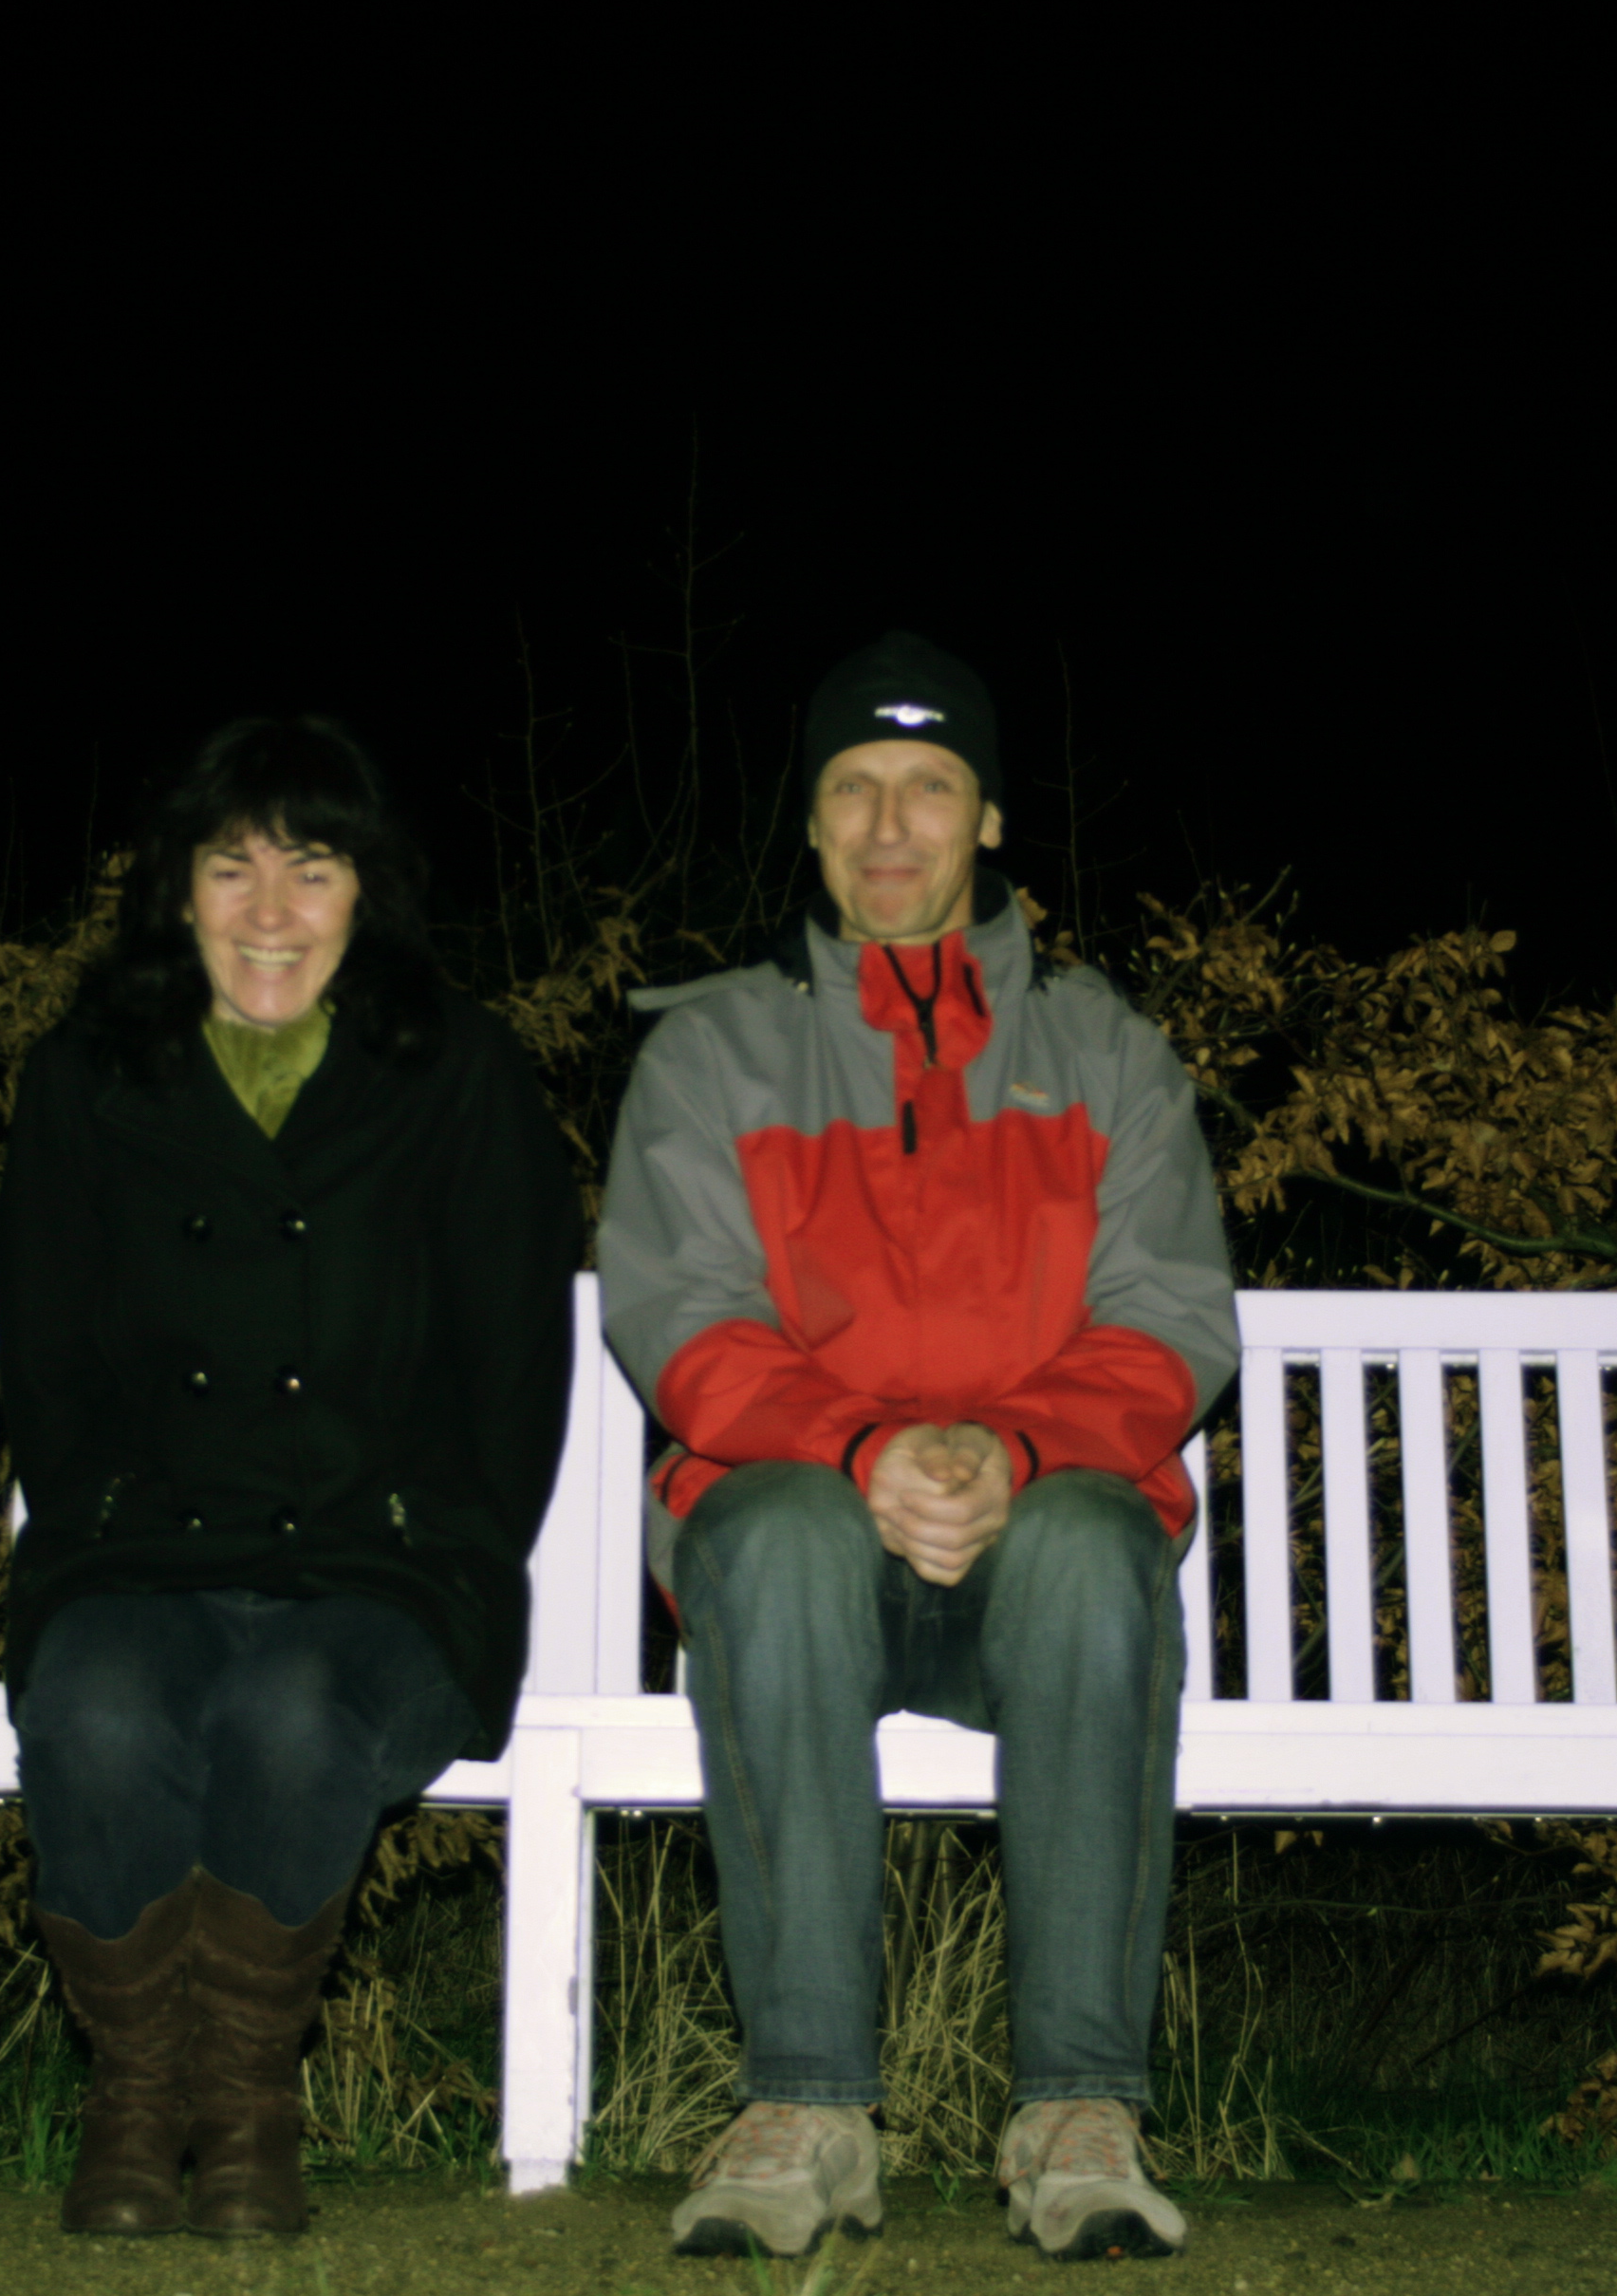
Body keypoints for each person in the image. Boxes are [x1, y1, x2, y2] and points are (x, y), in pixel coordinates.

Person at [598, 632, 1239, 2263]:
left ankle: (1078, 2112)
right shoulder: (714, 1052)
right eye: (853, 789)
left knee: (1095, 1539)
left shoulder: (1106, 1051)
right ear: (812, 826)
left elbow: (1168, 1317)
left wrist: (1014, 1453)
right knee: (777, 1531)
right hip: (808, 1538)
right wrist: (861, 1447)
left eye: (930, 786)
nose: (890, 826)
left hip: (1040, 1550)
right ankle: (807, 2110)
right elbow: (683, 1314)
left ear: (990, 818)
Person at [0, 716, 583, 2237]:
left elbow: (515, 1362)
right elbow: (46, 1360)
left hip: (384, 1559)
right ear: (175, 891)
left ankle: (247, 2105)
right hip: (145, 1548)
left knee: (294, 1708)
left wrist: (454, 1545)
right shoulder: (87, 1073)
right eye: (230, 866)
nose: (269, 911)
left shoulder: (457, 1069)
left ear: (367, 891)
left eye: (311, 868)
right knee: (94, 1705)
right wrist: (95, 1527)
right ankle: (138, 2100)